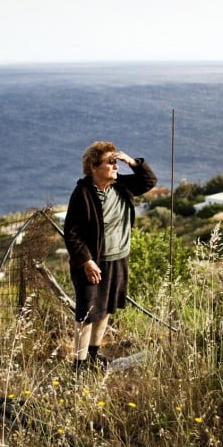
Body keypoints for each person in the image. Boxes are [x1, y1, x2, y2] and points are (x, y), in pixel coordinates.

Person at [62, 141, 157, 372]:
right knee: (86, 313)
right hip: (92, 263)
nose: (116, 166)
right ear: (94, 167)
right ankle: (78, 365)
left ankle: (94, 355)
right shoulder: (83, 193)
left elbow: (149, 181)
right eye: (110, 162)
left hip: (118, 257)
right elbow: (71, 232)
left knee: (106, 307)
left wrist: (132, 162)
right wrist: (86, 261)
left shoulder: (122, 185)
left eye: (116, 162)